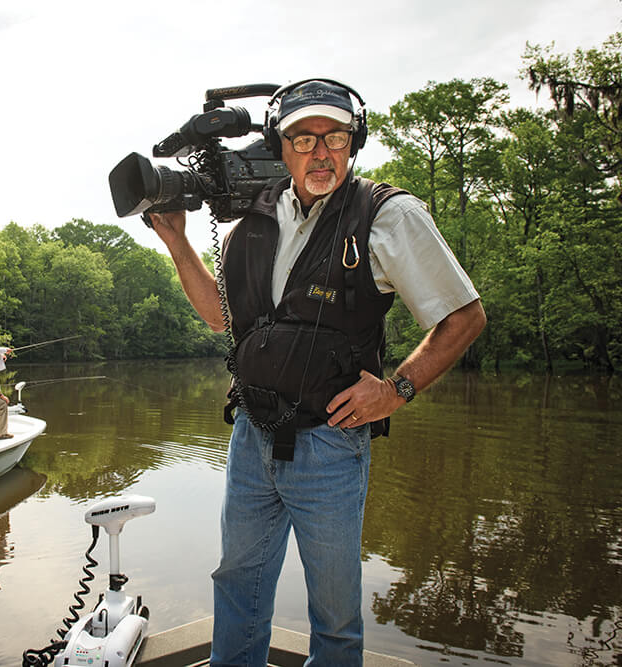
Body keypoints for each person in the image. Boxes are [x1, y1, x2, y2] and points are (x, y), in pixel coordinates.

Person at [147, 79, 486, 666]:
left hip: (330, 442)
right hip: (251, 435)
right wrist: (177, 240)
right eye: (304, 139)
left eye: (335, 137)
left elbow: (464, 316)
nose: (320, 152)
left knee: (333, 609)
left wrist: (398, 389)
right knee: (238, 582)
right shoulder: (255, 217)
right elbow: (221, 315)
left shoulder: (387, 214)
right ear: (281, 147)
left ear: (355, 141)